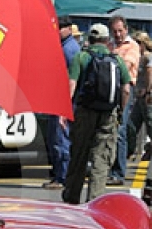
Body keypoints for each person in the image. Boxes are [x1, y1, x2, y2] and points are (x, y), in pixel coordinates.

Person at [62, 23, 131, 205]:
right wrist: (121, 111)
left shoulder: (81, 57)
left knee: (78, 155)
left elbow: (72, 84)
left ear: (90, 39)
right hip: (108, 114)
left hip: (85, 112)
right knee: (102, 159)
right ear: (106, 40)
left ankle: (71, 198)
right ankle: (95, 201)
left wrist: (65, 111)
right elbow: (125, 89)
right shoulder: (117, 61)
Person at [43, 16, 80, 190]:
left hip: (64, 100)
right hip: (59, 98)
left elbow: (71, 79)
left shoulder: (70, 49)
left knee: (60, 140)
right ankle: (58, 174)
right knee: (55, 139)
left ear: (68, 28)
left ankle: (62, 177)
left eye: (59, 28)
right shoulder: (65, 47)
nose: (56, 31)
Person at [106, 15, 140, 185]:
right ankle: (109, 169)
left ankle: (119, 173)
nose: (118, 34)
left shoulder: (132, 46)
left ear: (126, 29)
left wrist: (108, 63)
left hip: (125, 88)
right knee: (108, 129)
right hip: (109, 88)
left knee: (120, 129)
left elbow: (125, 67)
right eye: (114, 31)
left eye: (120, 31)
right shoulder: (109, 45)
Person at [127, 31, 152, 160]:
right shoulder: (139, 57)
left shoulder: (148, 57)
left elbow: (150, 73)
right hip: (139, 97)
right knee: (132, 124)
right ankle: (128, 151)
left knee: (150, 124)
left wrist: (148, 90)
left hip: (147, 97)